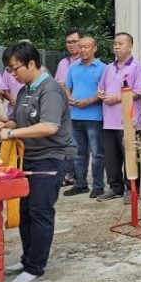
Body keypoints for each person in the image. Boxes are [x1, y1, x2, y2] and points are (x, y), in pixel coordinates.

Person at [0, 42, 75, 282]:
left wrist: (13, 134)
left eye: (14, 69)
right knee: (25, 211)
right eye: (9, 70)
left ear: (31, 63)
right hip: (27, 157)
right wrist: (5, 125)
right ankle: (27, 257)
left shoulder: (49, 89)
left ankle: (36, 265)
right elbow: (16, 121)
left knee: (40, 211)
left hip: (51, 157)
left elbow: (49, 126)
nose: (13, 74)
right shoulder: (24, 90)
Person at [96, 32, 141, 202]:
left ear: (130, 46)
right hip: (109, 121)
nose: (116, 46)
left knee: (130, 156)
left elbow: (138, 91)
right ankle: (115, 187)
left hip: (128, 121)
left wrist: (117, 98)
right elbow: (101, 88)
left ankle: (132, 189)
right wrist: (101, 93)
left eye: (121, 43)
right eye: (115, 43)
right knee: (112, 158)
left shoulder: (137, 67)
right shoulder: (109, 68)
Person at [63, 36, 107, 198]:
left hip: (95, 117)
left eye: (86, 47)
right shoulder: (73, 68)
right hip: (75, 115)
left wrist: (89, 101)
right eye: (80, 47)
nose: (82, 50)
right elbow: (67, 87)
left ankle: (98, 185)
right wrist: (68, 97)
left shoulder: (103, 68)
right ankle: (80, 184)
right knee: (78, 153)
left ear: (95, 48)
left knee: (97, 153)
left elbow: (104, 92)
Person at [55, 29, 82, 185]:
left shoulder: (85, 62)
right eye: (68, 42)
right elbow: (58, 83)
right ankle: (68, 174)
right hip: (64, 111)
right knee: (65, 143)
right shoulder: (63, 63)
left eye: (74, 41)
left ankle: (78, 176)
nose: (71, 45)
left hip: (82, 109)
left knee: (79, 146)